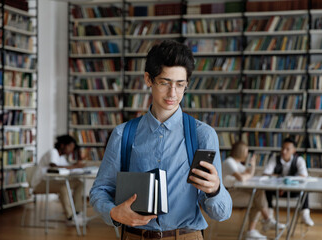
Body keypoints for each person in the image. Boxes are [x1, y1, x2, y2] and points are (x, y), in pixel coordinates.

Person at [89, 40, 232, 239]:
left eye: (180, 85)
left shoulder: (203, 135)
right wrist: (113, 212)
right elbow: (100, 191)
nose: (173, 93)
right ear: (148, 79)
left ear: (186, 85)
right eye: (165, 83)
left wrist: (215, 190)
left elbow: (222, 213)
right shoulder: (123, 134)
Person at [222, 141, 285, 240]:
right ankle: (266, 221)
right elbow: (241, 178)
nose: (247, 154)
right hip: (227, 194)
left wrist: (253, 165)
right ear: (241, 152)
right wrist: (246, 175)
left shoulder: (236, 163)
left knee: (257, 195)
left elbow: (249, 175)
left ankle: (254, 229)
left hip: (234, 190)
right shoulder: (229, 162)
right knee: (257, 196)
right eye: (246, 152)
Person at [31, 134, 85, 226]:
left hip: (52, 182)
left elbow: (66, 169)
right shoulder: (53, 152)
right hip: (41, 183)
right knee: (63, 187)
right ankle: (70, 217)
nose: (71, 150)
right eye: (70, 147)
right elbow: (54, 166)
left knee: (79, 183)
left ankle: (77, 212)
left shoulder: (62, 157)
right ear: (62, 145)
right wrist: (74, 166)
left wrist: (77, 162)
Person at [263, 137, 314, 227]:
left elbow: (303, 176)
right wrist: (282, 182)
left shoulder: (299, 160)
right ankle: (269, 215)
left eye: (287, 149)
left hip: (293, 190)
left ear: (293, 150)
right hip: (278, 191)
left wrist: (284, 181)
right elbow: (266, 174)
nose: (284, 151)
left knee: (305, 190)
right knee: (266, 189)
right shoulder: (275, 158)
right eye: (283, 148)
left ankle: (305, 214)